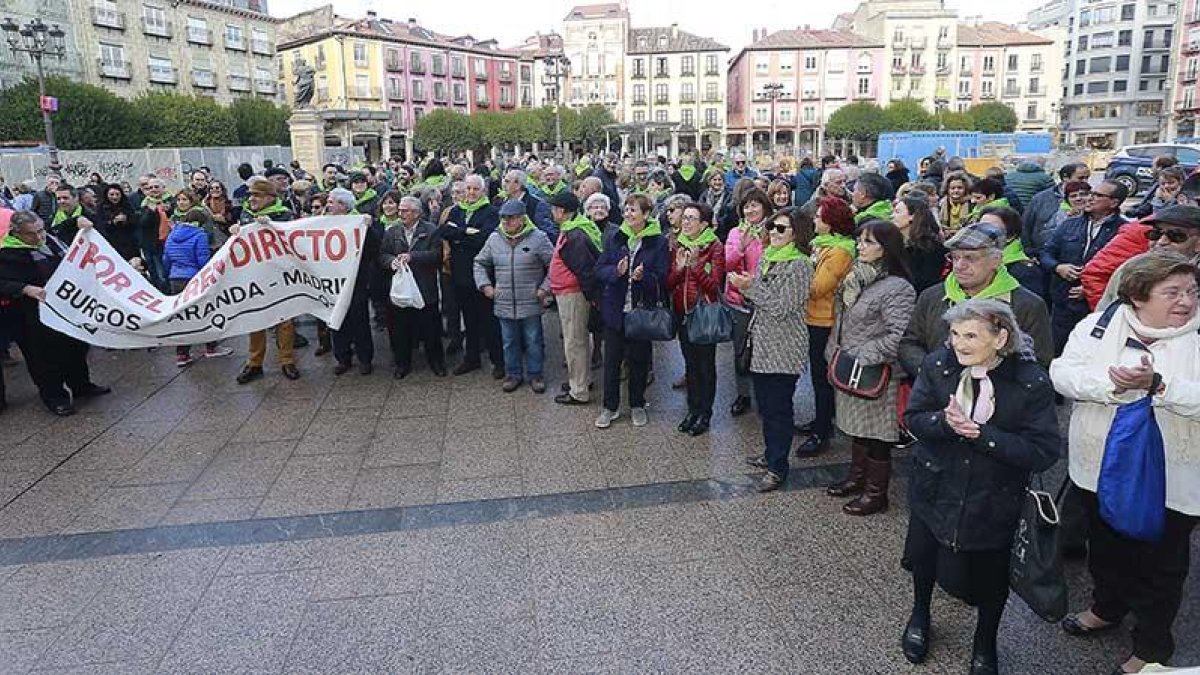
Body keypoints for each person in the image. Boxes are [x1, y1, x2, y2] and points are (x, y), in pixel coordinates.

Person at [1050, 251, 1200, 675]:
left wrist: (1160, 385)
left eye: (1191, 291)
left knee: (1162, 566)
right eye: (1172, 292)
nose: (1186, 302)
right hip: (1098, 467)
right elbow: (1061, 373)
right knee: (1108, 547)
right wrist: (1110, 386)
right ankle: (1106, 607)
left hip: (1170, 478)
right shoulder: (1098, 326)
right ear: (1137, 295)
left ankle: (1152, 648)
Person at [901, 299, 1059, 675]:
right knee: (924, 560)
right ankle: (919, 617)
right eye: (955, 334)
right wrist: (944, 423)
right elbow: (914, 419)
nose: (959, 343)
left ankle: (985, 644)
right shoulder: (938, 365)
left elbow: (1044, 452)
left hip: (994, 497)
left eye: (971, 335)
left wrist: (983, 436)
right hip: (935, 486)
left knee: (990, 579)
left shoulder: (1030, 380)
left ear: (1001, 337)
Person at [824, 219, 916, 515]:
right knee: (857, 428)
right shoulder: (857, 276)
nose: (860, 246)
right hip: (850, 364)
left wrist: (864, 353)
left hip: (877, 370)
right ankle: (857, 478)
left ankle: (877, 494)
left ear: (886, 249)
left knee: (877, 434)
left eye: (868, 242)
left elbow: (899, 335)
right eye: (859, 240)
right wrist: (836, 349)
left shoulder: (897, 287)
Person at [899, 223, 1055, 380]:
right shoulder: (932, 296)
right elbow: (909, 343)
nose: (959, 266)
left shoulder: (1027, 305)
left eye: (970, 258)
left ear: (996, 260)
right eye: (955, 257)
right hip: (936, 397)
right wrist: (929, 371)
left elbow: (1039, 362)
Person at [0, 211, 111, 416]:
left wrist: (79, 221)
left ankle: (81, 385)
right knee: (43, 359)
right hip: (31, 316)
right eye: (32, 234)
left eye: (41, 230)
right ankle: (55, 398)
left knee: (75, 348)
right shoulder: (7, 253)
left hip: (64, 308)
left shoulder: (50, 241)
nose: (39, 237)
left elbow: (66, 226)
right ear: (17, 233)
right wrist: (24, 288)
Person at [736, 207, 814, 491]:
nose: (773, 233)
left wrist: (750, 288)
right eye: (771, 227)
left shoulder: (801, 265)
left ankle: (778, 467)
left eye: (781, 229)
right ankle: (771, 454)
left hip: (785, 346)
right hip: (763, 343)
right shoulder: (769, 257)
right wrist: (749, 287)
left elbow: (783, 307)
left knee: (779, 409)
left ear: (797, 232)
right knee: (766, 406)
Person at [594, 193, 668, 428]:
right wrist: (616, 272)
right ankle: (610, 407)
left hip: (641, 312)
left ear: (646, 215)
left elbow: (663, 278)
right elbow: (599, 269)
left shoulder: (658, 241)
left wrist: (643, 276)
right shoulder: (616, 237)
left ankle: (637, 403)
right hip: (615, 310)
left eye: (633, 210)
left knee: (638, 361)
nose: (628, 214)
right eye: (626, 210)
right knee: (612, 362)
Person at [474, 199, 554, 393]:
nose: (507, 222)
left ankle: (536, 375)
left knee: (533, 340)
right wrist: (485, 286)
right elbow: (479, 263)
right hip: (503, 301)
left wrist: (544, 288)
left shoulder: (538, 238)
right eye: (504, 218)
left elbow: (554, 266)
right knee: (509, 341)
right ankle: (513, 374)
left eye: (511, 218)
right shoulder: (494, 239)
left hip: (531, 300)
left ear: (522, 219)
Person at [1041, 179, 1128, 355]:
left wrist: (1090, 287)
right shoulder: (1069, 225)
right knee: (1057, 351)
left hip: (1096, 308)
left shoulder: (1124, 231)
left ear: (1114, 202)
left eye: (1097, 195)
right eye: (1091, 193)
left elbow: (1124, 272)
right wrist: (1059, 267)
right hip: (1063, 304)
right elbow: (1046, 254)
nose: (1089, 198)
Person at [799, 196, 856, 456]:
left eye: (819, 216)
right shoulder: (822, 247)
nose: (814, 219)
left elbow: (816, 288)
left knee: (823, 379)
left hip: (825, 320)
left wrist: (797, 274)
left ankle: (821, 432)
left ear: (831, 222)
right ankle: (820, 421)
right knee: (818, 378)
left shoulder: (840, 251)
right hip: (815, 317)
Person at [234, 177, 300, 384]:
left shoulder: (284, 215)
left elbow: (294, 240)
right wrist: (234, 232)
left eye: (257, 195)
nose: (252, 199)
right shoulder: (245, 214)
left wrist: (271, 226)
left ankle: (287, 360)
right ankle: (254, 363)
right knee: (255, 319)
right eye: (251, 195)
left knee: (284, 320)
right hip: (253, 275)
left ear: (270, 198)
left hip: (279, 275)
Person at [668, 201, 725, 435]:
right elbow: (669, 283)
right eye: (685, 218)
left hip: (703, 313)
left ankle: (705, 413)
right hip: (682, 312)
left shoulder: (714, 247)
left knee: (705, 365)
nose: (686, 223)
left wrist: (696, 267)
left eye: (692, 219)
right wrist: (680, 269)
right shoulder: (677, 244)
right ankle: (692, 409)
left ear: (704, 224)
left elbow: (715, 287)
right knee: (690, 364)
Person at [440, 174, 503, 378]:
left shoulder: (491, 212)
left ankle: (498, 362)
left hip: (483, 274)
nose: (471, 193)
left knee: (489, 320)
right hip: (460, 273)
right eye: (468, 189)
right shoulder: (456, 210)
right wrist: (467, 232)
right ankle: (472, 358)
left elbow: (484, 239)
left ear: (483, 191)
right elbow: (444, 231)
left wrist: (459, 233)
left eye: (475, 189)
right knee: (468, 319)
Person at [379, 195, 445, 379]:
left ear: (417, 213)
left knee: (430, 328)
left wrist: (413, 256)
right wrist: (392, 262)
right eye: (400, 210)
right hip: (400, 289)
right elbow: (382, 254)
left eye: (405, 210)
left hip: (424, 287)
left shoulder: (430, 230)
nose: (401, 214)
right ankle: (402, 363)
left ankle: (436, 362)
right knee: (400, 328)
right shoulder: (392, 231)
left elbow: (437, 255)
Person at [1089, 204, 1200, 312]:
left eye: (1176, 236)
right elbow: (1105, 313)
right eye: (1155, 233)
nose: (1161, 242)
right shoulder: (1131, 268)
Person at [548, 191, 602, 405]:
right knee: (578, 339)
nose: (552, 212)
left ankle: (578, 390)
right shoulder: (575, 228)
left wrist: (591, 297)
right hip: (571, 293)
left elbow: (584, 270)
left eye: (554, 209)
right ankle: (581, 379)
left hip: (573, 295)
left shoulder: (574, 236)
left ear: (562, 211)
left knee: (574, 341)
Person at [162, 209, 235, 366]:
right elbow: (202, 260)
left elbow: (166, 259)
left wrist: (171, 274)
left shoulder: (172, 234)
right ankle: (211, 347)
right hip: (195, 278)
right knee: (205, 313)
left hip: (175, 278)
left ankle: (182, 354)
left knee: (183, 316)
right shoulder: (199, 235)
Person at [725, 188, 772, 418]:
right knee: (741, 348)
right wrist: (741, 247)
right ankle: (743, 394)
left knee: (765, 350)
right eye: (746, 206)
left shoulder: (775, 231)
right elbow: (727, 263)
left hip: (766, 300)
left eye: (755, 205)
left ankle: (764, 395)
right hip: (740, 300)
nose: (750, 210)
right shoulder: (736, 232)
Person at [323, 188, 377, 375]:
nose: (327, 205)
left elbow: (373, 250)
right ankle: (342, 357)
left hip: (356, 280)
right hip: (332, 279)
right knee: (336, 319)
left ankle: (364, 358)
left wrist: (369, 228)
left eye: (331, 202)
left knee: (359, 319)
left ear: (343, 205)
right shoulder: (321, 223)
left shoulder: (360, 222)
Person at [1022, 163, 1092, 259]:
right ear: (1065, 178)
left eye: (1087, 177)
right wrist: (1029, 252)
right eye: (1081, 178)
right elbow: (1026, 225)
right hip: (1041, 254)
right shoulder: (1041, 198)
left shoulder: (1091, 198)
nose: (1085, 181)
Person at [978, 206, 1046, 300]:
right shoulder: (969, 262)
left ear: (1010, 236)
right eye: (980, 227)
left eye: (991, 229)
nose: (982, 233)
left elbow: (1030, 308)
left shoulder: (1025, 271)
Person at [894, 196, 946, 294]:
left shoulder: (929, 247)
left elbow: (924, 282)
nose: (892, 216)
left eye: (897, 212)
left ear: (912, 216)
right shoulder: (897, 243)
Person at [1124, 154, 1182, 220]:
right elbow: (1149, 204)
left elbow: (1158, 212)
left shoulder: (1181, 194)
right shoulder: (1159, 186)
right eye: (1163, 183)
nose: (1166, 186)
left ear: (1159, 168)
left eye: (1153, 166)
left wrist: (1170, 201)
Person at [501, 169, 555, 239]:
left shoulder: (536, 204)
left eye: (507, 181)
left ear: (518, 185)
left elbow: (547, 233)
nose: (504, 184)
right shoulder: (500, 201)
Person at [96, 183, 139, 260]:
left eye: (117, 194)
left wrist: (126, 219)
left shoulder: (127, 205)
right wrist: (113, 222)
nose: (115, 197)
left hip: (129, 243)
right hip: (111, 243)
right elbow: (100, 225)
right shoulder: (101, 207)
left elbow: (135, 221)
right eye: (112, 194)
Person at [590, 152, 623, 225]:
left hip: (613, 214)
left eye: (614, 162)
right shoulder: (598, 176)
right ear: (603, 162)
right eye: (609, 162)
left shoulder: (613, 176)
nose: (612, 165)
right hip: (604, 216)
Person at [203, 180, 234, 252]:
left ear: (222, 190)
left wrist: (224, 219)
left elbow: (232, 220)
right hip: (210, 240)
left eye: (217, 188)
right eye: (212, 188)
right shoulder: (205, 205)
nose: (214, 190)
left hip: (226, 238)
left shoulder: (229, 204)